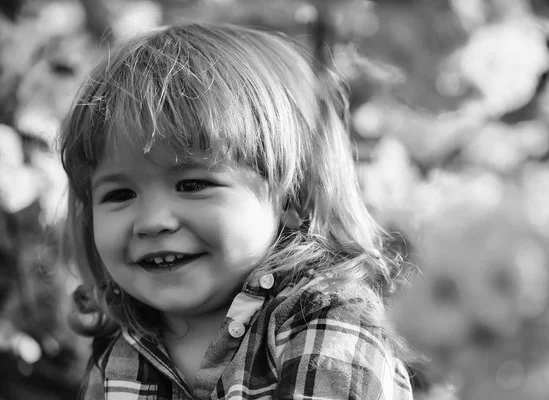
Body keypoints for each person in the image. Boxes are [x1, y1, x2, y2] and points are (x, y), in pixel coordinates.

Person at [59, 22, 414, 400]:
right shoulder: (121, 346)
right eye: (120, 194)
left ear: (292, 195)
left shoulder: (327, 318)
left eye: (192, 185)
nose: (152, 222)